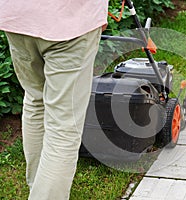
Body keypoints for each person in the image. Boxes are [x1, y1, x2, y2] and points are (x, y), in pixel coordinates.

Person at [0, 1, 108, 199]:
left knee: (35, 98)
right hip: (70, 20)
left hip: (18, 16)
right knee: (64, 126)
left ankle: (38, 189)